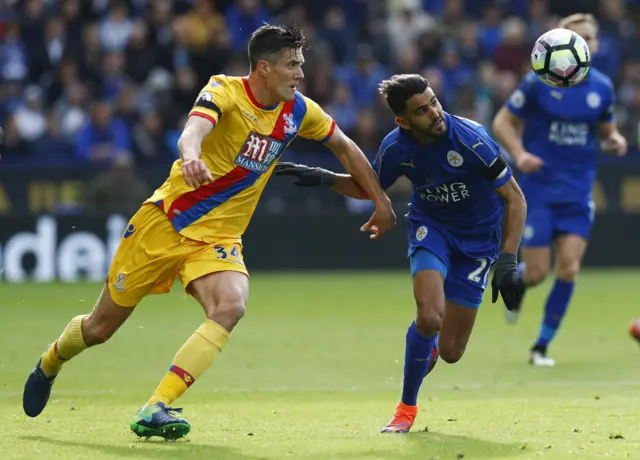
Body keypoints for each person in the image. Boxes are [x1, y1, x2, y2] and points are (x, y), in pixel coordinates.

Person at [22, 24, 396, 439]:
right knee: (100, 329)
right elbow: (193, 130)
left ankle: (156, 406)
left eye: (301, 65)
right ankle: (50, 362)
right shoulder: (224, 90)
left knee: (231, 306)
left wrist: (382, 201)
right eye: (292, 65)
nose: (300, 74)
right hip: (165, 224)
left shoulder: (299, 112)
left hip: (218, 240)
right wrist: (192, 155)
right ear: (264, 67)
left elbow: (345, 146)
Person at [275, 74, 527, 433]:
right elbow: (370, 187)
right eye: (422, 111)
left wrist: (508, 259)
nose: (435, 113)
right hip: (432, 230)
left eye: (434, 102)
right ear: (403, 121)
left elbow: (515, 198)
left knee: (452, 352)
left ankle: (432, 348)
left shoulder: (472, 139)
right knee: (428, 317)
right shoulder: (396, 148)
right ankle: (406, 408)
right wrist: (324, 177)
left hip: (479, 243)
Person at [492, 13, 628, 367]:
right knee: (537, 273)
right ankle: (516, 282)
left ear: (594, 45)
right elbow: (502, 121)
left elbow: (606, 129)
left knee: (569, 268)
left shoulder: (602, 87)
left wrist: (614, 139)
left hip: (579, 191)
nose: (585, 42)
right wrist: (519, 154)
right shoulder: (538, 83)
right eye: (576, 36)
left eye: (589, 37)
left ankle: (541, 346)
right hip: (538, 190)